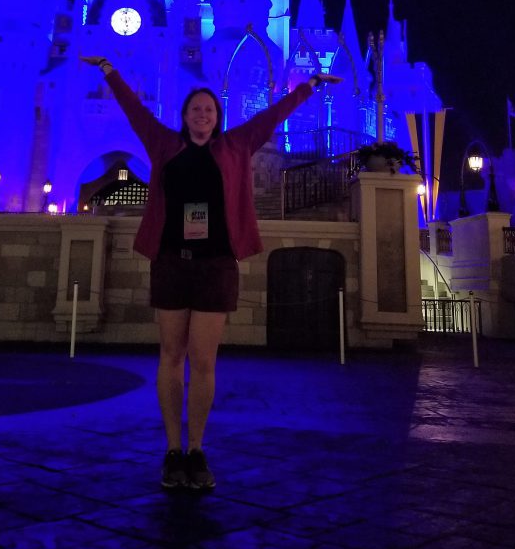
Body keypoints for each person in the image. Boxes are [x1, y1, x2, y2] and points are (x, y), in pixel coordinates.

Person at [80, 54, 340, 491]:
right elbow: (134, 111)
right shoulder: (164, 146)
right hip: (171, 262)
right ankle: (171, 450)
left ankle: (196, 448)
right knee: (170, 356)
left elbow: (272, 116)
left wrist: (309, 85)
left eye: (209, 110)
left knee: (202, 361)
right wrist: (109, 70)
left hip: (216, 265)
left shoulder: (235, 146)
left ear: (217, 118)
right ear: (183, 117)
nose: (202, 115)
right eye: (195, 109)